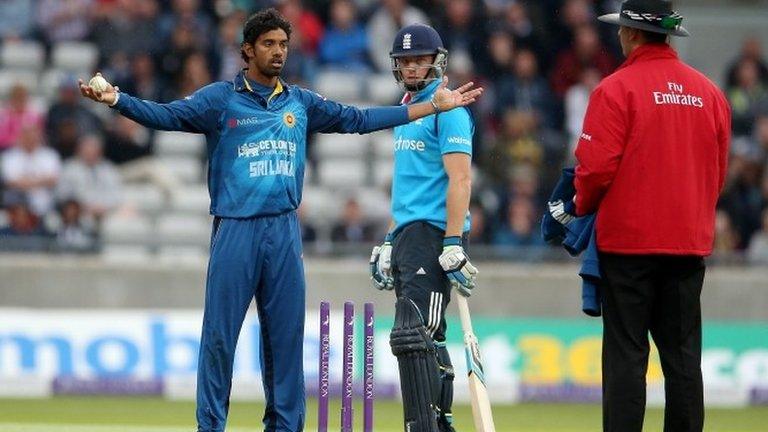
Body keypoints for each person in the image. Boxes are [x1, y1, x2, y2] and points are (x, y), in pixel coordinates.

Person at [78, 8, 482, 432]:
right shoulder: (220, 99)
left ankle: (285, 426)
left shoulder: (300, 102)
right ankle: (210, 425)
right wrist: (117, 100)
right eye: (268, 44)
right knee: (220, 338)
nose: (278, 52)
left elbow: (359, 120)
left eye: (283, 45)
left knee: (286, 339)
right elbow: (167, 115)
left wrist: (428, 108)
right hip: (236, 228)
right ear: (247, 50)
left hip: (284, 231)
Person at [567, 2, 731, 431]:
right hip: (687, 246)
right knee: (682, 360)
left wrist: (580, 208)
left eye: (622, 29)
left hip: (629, 247)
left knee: (626, 357)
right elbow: (717, 172)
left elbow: (595, 170)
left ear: (632, 34)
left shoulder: (615, 89)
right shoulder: (710, 93)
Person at [369, 24, 478, 432]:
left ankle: (423, 427)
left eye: (420, 59)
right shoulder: (408, 108)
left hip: (435, 233)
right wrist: (387, 239)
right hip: (408, 233)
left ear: (437, 61)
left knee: (415, 332)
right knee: (421, 338)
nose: (412, 67)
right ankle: (439, 423)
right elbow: (406, 186)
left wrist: (453, 241)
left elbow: (460, 180)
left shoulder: (449, 111)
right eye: (405, 61)